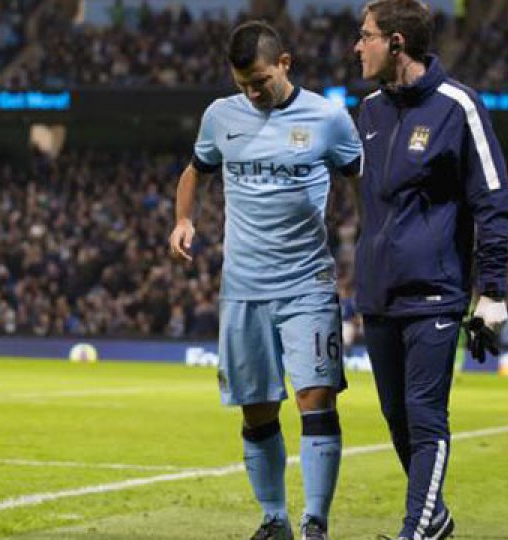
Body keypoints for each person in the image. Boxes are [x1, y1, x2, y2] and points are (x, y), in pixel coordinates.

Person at [168, 21, 362, 540]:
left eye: (260, 81)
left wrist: (373, 240)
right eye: (243, 84)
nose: (252, 93)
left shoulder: (328, 117)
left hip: (307, 283)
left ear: (285, 64)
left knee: (315, 399)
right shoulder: (220, 116)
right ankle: (275, 519)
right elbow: (195, 170)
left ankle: (316, 522)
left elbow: (360, 179)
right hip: (243, 287)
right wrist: (184, 220)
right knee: (256, 410)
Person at [352, 1, 508, 538]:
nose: (358, 46)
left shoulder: (459, 106)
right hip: (378, 294)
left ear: (396, 43)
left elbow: (493, 200)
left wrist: (492, 291)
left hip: (435, 294)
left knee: (425, 415)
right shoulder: (368, 110)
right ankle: (436, 517)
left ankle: (416, 530)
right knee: (396, 416)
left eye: (367, 35)